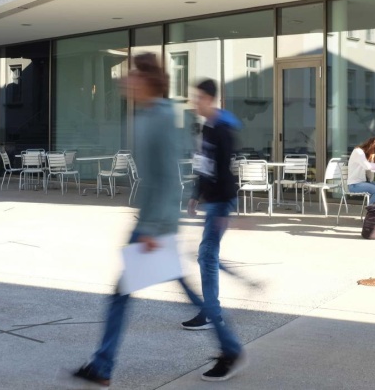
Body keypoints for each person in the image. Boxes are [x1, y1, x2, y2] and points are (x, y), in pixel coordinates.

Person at [71, 55, 246, 387]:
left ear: (149, 81)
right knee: (161, 286)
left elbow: (168, 177)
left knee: (126, 293)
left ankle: (103, 366)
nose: (127, 81)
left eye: (134, 75)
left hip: (155, 225)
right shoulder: (144, 115)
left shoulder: (164, 117)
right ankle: (228, 346)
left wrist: (155, 228)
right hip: (150, 222)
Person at [182, 80, 245, 359]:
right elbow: (203, 165)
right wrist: (196, 195)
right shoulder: (206, 127)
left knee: (207, 255)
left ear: (209, 99)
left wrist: (221, 209)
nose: (195, 102)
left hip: (221, 201)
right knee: (207, 255)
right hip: (213, 201)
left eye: (198, 98)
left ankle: (212, 313)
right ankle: (211, 310)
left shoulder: (222, 129)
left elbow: (224, 170)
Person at [347, 136, 375, 204]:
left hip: (366, 182)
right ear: (371, 147)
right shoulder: (358, 151)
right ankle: (371, 212)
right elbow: (367, 166)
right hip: (355, 184)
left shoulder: (371, 155)